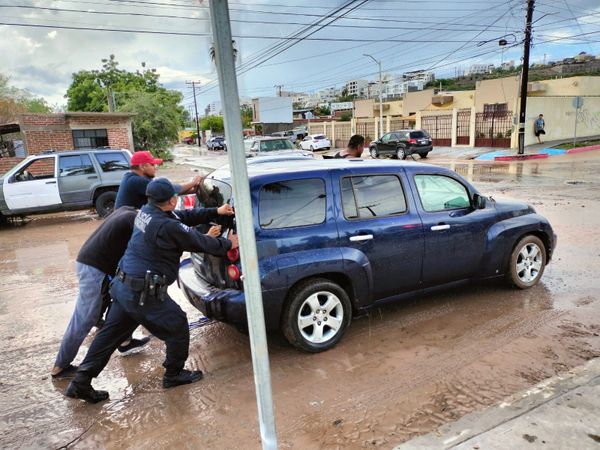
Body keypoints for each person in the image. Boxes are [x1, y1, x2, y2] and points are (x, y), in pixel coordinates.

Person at [65, 178, 238, 403]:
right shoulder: (166, 226)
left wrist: (215, 210)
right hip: (143, 293)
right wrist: (228, 244)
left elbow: (183, 218)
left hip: (124, 287)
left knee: (108, 336)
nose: (177, 199)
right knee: (177, 325)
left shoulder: (148, 212)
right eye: (174, 196)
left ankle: (80, 382)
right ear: (170, 200)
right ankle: (174, 374)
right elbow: (195, 240)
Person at [51, 206, 149, 380]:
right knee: (83, 320)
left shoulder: (126, 210)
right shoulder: (132, 220)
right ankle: (60, 367)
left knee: (122, 302)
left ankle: (125, 342)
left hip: (92, 262)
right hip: (94, 269)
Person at [115, 151, 201, 209]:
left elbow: (165, 192)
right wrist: (193, 183)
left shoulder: (129, 177)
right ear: (142, 167)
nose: (155, 168)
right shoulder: (136, 181)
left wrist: (192, 190)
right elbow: (169, 189)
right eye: (152, 165)